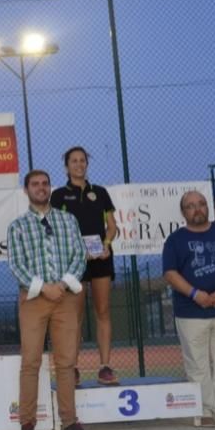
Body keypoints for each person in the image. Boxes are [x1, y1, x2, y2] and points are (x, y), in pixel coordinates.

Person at [7, 170, 94, 430]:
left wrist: (64, 285)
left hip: (65, 298)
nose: (41, 188)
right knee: (30, 362)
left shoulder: (68, 221)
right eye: (35, 184)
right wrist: (45, 287)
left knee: (66, 362)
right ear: (26, 190)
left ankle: (69, 421)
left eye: (45, 184)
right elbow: (16, 264)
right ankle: (27, 424)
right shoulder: (17, 226)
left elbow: (80, 255)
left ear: (50, 188)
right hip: (33, 299)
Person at [163, 191, 215, 427]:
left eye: (201, 204)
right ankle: (204, 409)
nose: (197, 209)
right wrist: (195, 294)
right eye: (190, 206)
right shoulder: (175, 240)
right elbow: (170, 273)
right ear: (183, 212)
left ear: (207, 207)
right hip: (190, 312)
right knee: (197, 364)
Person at [50, 146, 120, 386]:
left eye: (82, 161)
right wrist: (77, 252)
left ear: (86, 164)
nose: (79, 165)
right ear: (66, 166)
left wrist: (107, 244)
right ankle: (73, 367)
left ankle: (105, 367)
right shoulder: (59, 195)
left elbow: (112, 227)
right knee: (74, 316)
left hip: (100, 259)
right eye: (74, 161)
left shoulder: (100, 193)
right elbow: (55, 231)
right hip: (74, 262)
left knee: (102, 311)